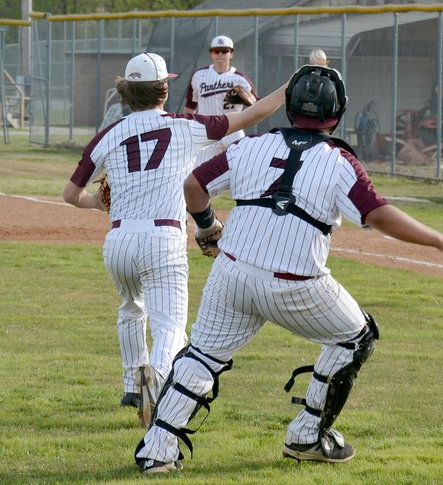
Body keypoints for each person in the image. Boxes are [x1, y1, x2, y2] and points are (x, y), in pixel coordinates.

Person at [134, 64, 443, 474]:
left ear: (289, 107)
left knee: (202, 356)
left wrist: (207, 227)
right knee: (355, 337)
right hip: (296, 286)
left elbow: (193, 185)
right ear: (338, 112)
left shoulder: (249, 146)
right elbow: (377, 214)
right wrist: (439, 240)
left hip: (233, 272)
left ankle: (156, 450)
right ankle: (307, 435)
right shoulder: (340, 162)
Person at [62, 52, 287, 429]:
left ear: (126, 93)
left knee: (131, 308)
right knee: (170, 327)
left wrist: (98, 207)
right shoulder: (186, 125)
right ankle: (159, 382)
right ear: (164, 90)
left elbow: (70, 194)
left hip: (118, 239)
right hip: (162, 236)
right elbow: (251, 115)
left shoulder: (107, 135)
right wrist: (289, 85)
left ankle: (133, 384)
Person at [184, 35, 259, 164]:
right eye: (216, 51)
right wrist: (186, 128)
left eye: (224, 51)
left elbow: (256, 103)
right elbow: (190, 105)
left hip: (234, 127)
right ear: (211, 54)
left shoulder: (240, 79)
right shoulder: (199, 75)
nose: (220, 54)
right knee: (198, 170)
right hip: (206, 129)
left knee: (243, 166)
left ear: (232, 54)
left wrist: (248, 99)